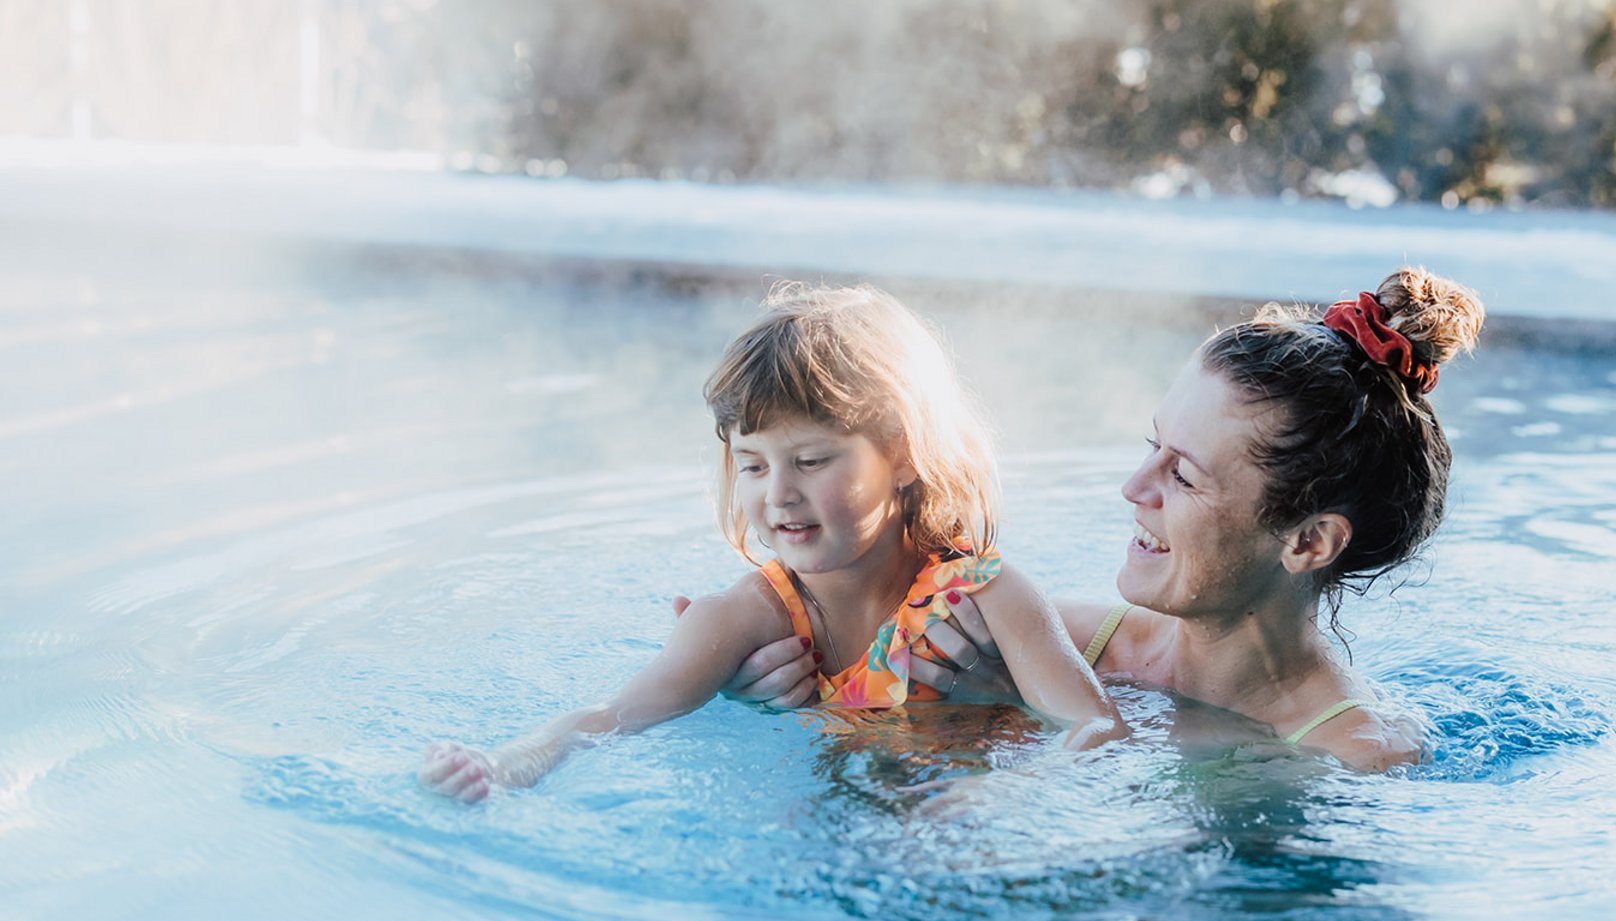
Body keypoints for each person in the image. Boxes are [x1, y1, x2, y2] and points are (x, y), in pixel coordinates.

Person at [713, 267, 1483, 773]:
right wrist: (788, 688)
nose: (1132, 488)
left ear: (1308, 541)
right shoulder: (1061, 637)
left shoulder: (1354, 755)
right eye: (1153, 447)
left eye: (1181, 474)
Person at [419, 283, 1127, 803]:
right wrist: (505, 764)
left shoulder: (987, 595)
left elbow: (1094, 727)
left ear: (903, 455)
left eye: (812, 461)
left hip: (959, 809)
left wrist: (1006, 794)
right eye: (754, 465)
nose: (778, 493)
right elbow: (615, 716)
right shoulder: (750, 616)